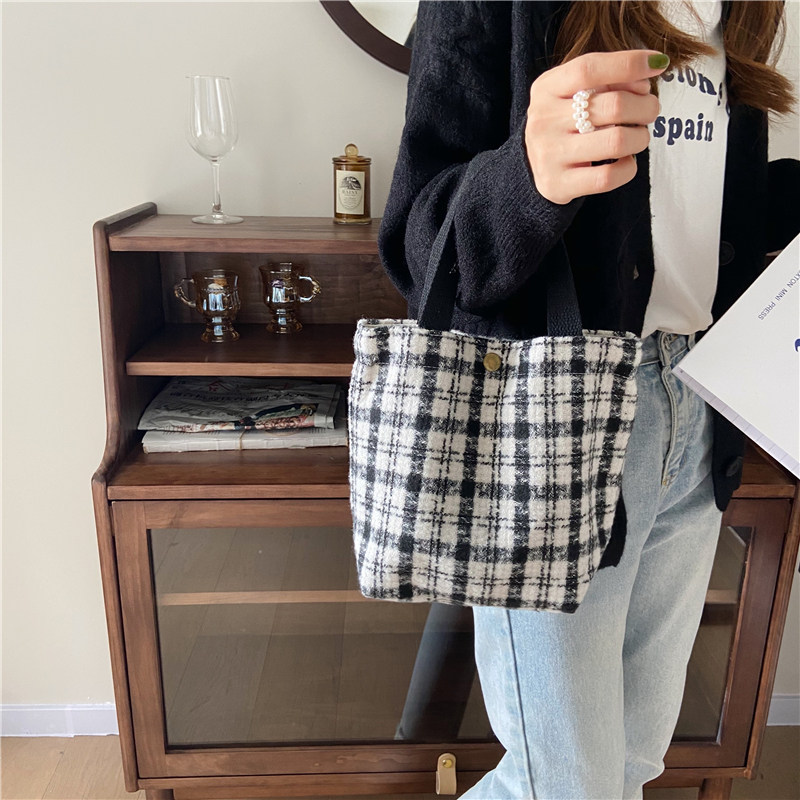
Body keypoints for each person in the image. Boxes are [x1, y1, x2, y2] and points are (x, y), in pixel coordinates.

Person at [378, 1, 799, 798]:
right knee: (565, 784)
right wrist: (529, 175)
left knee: (632, 764)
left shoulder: (743, 8)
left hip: (699, 407)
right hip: (559, 418)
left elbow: (705, 213)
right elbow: (415, 243)